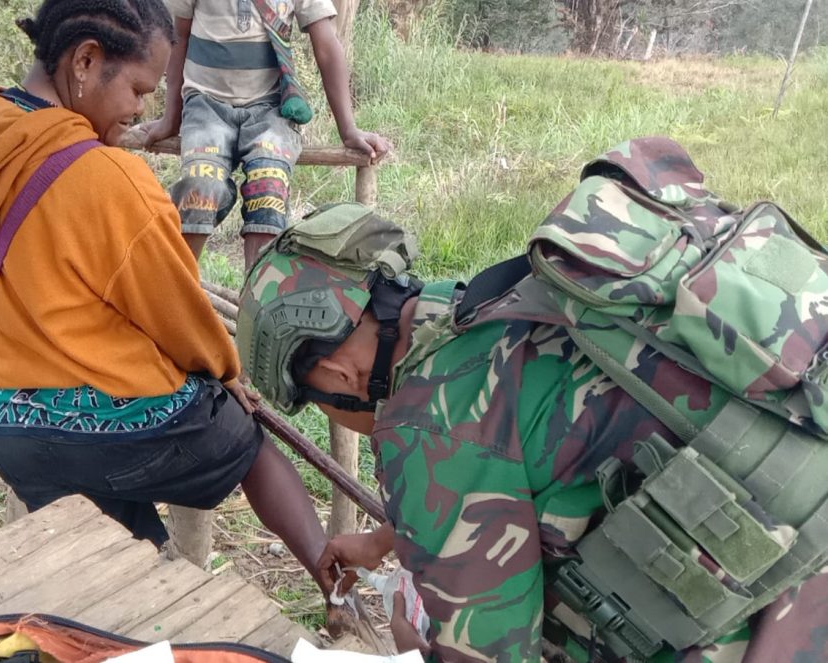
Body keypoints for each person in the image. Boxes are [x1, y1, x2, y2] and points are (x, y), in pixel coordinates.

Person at [0, 0, 347, 629]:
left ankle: (127, 602)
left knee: (125, 553)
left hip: (20, 435)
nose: (143, 110)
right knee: (249, 443)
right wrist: (231, 376)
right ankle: (340, 587)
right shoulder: (110, 179)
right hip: (141, 430)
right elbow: (179, 317)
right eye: (139, 88)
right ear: (86, 61)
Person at [235, 203, 828, 662]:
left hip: (785, 589)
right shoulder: (468, 306)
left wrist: (418, 639)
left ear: (338, 375)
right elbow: (509, 449)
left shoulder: (422, 423)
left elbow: (488, 651)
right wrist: (388, 539)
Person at [139, 0, 391, 269]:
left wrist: (349, 130)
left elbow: (327, 47)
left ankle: (255, 299)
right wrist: (171, 119)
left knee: (268, 187)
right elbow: (179, 39)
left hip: (270, 108)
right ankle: (178, 291)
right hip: (205, 104)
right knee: (200, 185)